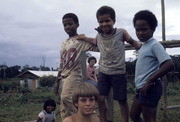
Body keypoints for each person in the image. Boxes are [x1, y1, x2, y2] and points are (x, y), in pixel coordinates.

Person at [78, 6, 141, 122]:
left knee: (122, 100)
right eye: (101, 21)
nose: (104, 24)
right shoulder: (99, 35)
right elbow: (94, 42)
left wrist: (143, 48)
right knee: (101, 99)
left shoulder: (121, 32)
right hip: (103, 73)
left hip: (118, 73)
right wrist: (83, 37)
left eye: (107, 20)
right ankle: (104, 120)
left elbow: (132, 42)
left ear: (114, 21)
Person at [130, 10, 174, 122]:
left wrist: (149, 80)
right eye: (137, 29)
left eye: (144, 29)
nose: (140, 32)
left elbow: (169, 64)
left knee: (149, 118)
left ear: (153, 29)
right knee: (134, 114)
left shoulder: (155, 45)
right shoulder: (144, 46)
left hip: (151, 87)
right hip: (141, 88)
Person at [53, 13, 97, 121]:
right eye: (65, 25)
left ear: (77, 24)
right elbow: (62, 63)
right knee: (64, 105)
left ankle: (86, 117)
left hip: (75, 74)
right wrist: (57, 81)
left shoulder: (81, 41)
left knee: (67, 98)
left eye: (70, 24)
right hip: (64, 77)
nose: (67, 27)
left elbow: (98, 46)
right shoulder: (63, 43)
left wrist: (96, 35)